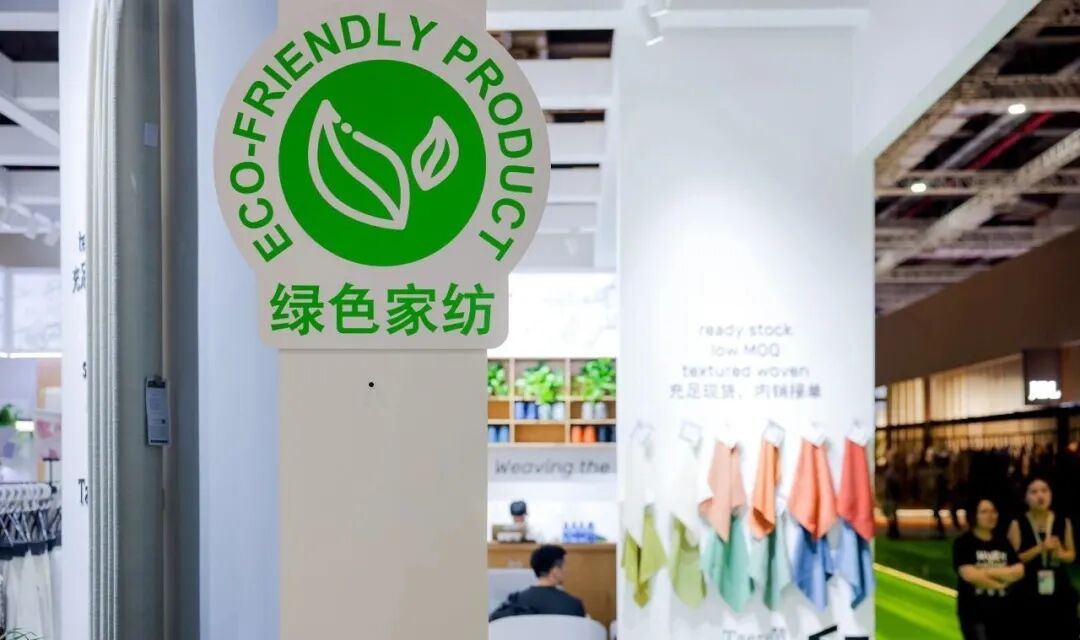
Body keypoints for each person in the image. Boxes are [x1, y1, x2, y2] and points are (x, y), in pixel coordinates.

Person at [1007, 477, 1079, 639]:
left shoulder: (1063, 521)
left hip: (1058, 585)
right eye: (1034, 492)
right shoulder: (1018, 523)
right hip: (1027, 586)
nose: (1040, 496)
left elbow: (1071, 555)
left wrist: (1060, 554)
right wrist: (1040, 548)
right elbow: (1012, 559)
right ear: (1025, 497)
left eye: (1044, 490)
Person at [953, 497, 1024, 640]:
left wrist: (986, 571)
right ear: (974, 516)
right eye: (984, 512)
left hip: (1004, 612)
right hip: (974, 613)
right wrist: (1001, 583)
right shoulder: (964, 543)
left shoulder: (1002, 541)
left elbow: (1018, 570)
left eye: (993, 511)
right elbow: (970, 575)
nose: (990, 516)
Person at [489, 545, 586, 621]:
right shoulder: (572, 605)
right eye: (565, 565)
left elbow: (493, 623)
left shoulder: (516, 602)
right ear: (555, 571)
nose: (567, 570)